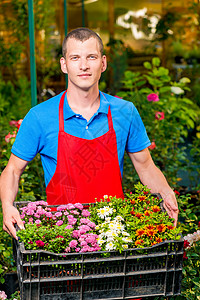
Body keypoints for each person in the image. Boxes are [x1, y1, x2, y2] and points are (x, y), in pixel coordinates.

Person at [0, 27, 179, 240]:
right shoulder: (40, 116)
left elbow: (146, 166)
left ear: (103, 63)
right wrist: (7, 206)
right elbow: (12, 170)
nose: (84, 66)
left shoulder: (125, 112)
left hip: (115, 234)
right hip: (62, 239)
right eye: (75, 58)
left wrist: (167, 192)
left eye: (91, 57)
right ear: (64, 65)